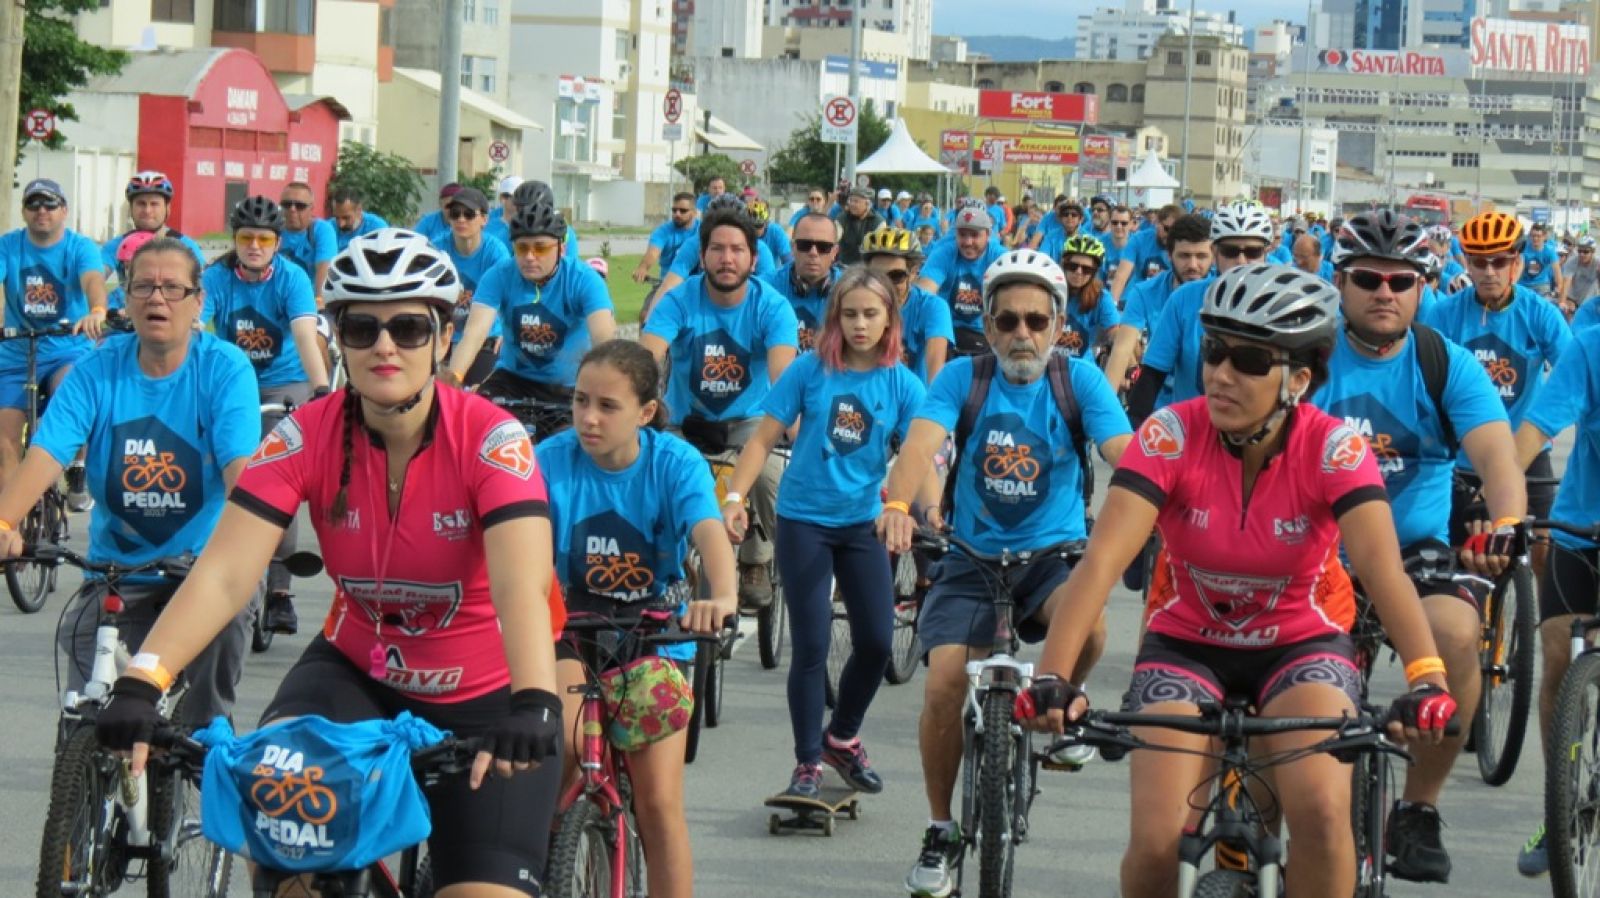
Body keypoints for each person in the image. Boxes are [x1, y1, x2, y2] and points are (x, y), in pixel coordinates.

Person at [88, 228, 568, 897]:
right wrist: (144, 679)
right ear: (337, 337)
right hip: (355, 673)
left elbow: (522, 587)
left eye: (408, 327)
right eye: (362, 328)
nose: (385, 347)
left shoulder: (493, 440)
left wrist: (536, 701)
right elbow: (226, 573)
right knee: (278, 825)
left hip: (488, 694)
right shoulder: (304, 434)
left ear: (442, 337)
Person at [1017, 263, 1457, 898]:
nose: (1222, 373)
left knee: (1323, 816)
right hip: (1186, 645)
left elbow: (1384, 572)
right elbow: (1100, 564)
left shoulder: (1334, 448)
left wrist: (1427, 679)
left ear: (1299, 379)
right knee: (1156, 843)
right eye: (1214, 351)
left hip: (1302, 645)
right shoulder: (1170, 435)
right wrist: (1053, 677)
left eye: (1249, 361)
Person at [878, 250, 1132, 898]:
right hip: (972, 555)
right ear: (988, 325)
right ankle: (941, 829)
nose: (1023, 334)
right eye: (1009, 320)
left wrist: (1155, 504)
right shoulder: (961, 378)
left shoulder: (1080, 381)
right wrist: (900, 506)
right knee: (942, 684)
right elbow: (920, 447)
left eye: (1037, 321)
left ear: (1059, 326)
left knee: (1091, 625)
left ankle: (1065, 700)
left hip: (1052, 556)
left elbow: (1122, 454)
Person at [1315, 210, 1527, 883]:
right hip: (1316, 552)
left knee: (1458, 634)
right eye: (1368, 279)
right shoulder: (1309, 358)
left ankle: (1418, 808)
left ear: (1422, 287)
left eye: (1400, 281)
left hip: (1415, 554)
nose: (1385, 292)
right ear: (1340, 282)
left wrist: (1506, 522)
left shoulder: (1445, 364)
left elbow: (1496, 458)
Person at [0, 236, 259, 733]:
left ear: (198, 302)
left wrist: (248, 546)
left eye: (172, 288)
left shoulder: (224, 369)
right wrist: (5, 521)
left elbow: (240, 474)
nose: (156, 298)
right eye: (143, 286)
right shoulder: (96, 370)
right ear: (125, 298)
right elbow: (48, 452)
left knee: (221, 644)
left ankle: (202, 746)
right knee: (82, 676)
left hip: (203, 568)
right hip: (117, 569)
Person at [538, 339, 736, 898]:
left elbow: (708, 532)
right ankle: (547, 857)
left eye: (608, 406)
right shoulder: (548, 460)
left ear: (646, 412)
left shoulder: (675, 463)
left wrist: (722, 596)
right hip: (569, 630)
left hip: (655, 635)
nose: (588, 418)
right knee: (562, 747)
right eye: (580, 401)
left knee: (658, 802)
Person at [723, 267, 925, 801]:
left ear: (889, 321)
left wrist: (923, 509)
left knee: (877, 642)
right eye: (850, 313)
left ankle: (842, 738)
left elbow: (923, 453)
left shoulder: (902, 383)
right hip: (804, 522)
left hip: (863, 525)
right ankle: (807, 762)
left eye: (871, 314)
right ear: (835, 318)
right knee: (811, 645)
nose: (860, 324)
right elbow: (762, 440)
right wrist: (735, 499)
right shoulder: (809, 371)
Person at [640, 207, 799, 613]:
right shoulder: (678, 300)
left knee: (768, 476)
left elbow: (784, 379)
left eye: (737, 250)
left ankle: (756, 560)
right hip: (685, 423)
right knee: (651, 476)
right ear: (702, 255)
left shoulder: (773, 306)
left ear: (754, 258)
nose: (727, 258)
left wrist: (798, 432)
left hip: (749, 425)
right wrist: (631, 403)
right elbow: (646, 359)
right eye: (717, 249)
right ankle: (662, 560)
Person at [200, 196, 330, 636]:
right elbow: (197, 327)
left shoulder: (292, 278)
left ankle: (279, 592)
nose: (254, 246)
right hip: (232, 382)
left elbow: (304, 334)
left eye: (264, 239)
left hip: (283, 383)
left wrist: (321, 390)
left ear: (277, 243)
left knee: (277, 478)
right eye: (246, 238)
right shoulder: (216, 277)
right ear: (234, 240)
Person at [1421, 209, 1571, 583]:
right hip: (1463, 458)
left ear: (1516, 263)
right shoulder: (1444, 315)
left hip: (1525, 454)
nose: (1489, 271)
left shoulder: (1542, 315)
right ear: (1467, 264)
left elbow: (1570, 380)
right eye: (1479, 262)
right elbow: (1421, 386)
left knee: (1540, 552)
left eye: (1499, 261)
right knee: (1463, 563)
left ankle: (1532, 610)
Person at [1510, 322, 1600, 876]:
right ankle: (1560, 804)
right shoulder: (1591, 343)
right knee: (1558, 658)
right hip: (1581, 527)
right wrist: (1501, 497)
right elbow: (1538, 426)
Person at [0, 179, 109, 504]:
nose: (41, 211)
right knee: (4, 440)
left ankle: (77, 467)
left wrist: (97, 311)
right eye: (33, 204)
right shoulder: (8, 245)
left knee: (71, 395)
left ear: (64, 210)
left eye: (49, 204)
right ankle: (11, 517)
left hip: (68, 348)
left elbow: (93, 280)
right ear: (24, 211)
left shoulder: (80, 247)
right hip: (17, 352)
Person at [446, 203, 615, 404]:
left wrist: (603, 390)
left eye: (540, 248)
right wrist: (453, 380)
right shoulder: (499, 275)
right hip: (511, 380)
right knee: (477, 414)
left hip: (570, 385)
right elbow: (473, 335)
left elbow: (603, 339)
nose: (529, 257)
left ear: (561, 249)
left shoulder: (584, 279)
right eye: (522, 248)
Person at [1126, 202, 1275, 420]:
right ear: (1215, 252)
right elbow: (1152, 377)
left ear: (1266, 253)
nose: (1241, 261)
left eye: (1253, 252)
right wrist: (1132, 432)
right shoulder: (1184, 298)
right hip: (1193, 428)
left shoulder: (1279, 304)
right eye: (1230, 251)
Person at [432, 187, 512, 388]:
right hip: (442, 337)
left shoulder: (496, 253)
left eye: (468, 214)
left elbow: (510, 295)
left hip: (485, 339)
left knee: (478, 393)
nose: (461, 219)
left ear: (484, 219)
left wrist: (507, 332)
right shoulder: (436, 249)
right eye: (455, 213)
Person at [862, 227, 953, 384]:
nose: (886, 285)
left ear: (913, 273)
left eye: (896, 276)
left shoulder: (932, 307)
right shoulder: (856, 305)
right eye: (877, 276)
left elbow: (935, 369)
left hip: (917, 396)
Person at [101, 171, 206, 307]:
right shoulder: (115, 246)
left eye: (154, 204)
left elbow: (202, 288)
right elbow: (95, 278)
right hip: (123, 315)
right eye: (141, 204)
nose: (147, 210)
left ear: (167, 208)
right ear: (131, 208)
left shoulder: (186, 246)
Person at [916, 207, 1008, 358]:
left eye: (974, 235)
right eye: (962, 235)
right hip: (948, 331)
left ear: (988, 234)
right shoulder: (944, 253)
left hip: (987, 333)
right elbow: (923, 295)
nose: (968, 242)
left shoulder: (1000, 256)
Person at [652, 195, 779, 303]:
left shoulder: (760, 248)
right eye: (717, 248)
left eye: (737, 249)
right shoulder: (695, 243)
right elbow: (669, 284)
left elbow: (769, 295)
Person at [763, 212, 841, 352]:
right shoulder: (764, 289)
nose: (813, 253)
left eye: (823, 247)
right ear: (793, 247)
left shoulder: (852, 290)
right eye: (804, 245)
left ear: (834, 252)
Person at [1055, 235, 1119, 365]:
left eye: (1086, 269)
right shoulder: (1049, 290)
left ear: (1094, 273)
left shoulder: (1101, 297)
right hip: (1046, 366)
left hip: (1082, 367)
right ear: (1064, 265)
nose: (1078, 272)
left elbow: (1116, 334)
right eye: (1073, 266)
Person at [277, 181, 338, 306]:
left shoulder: (321, 230)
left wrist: (319, 301)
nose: (292, 210)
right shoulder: (273, 230)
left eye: (300, 206)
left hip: (308, 299)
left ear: (311, 209)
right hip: (277, 298)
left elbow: (324, 269)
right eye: (286, 205)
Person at [1110, 203, 1180, 299]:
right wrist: (1113, 304)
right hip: (1138, 297)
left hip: (1168, 300)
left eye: (1176, 231)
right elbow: (1121, 276)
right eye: (1167, 229)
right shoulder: (1139, 239)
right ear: (1157, 223)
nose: (1171, 235)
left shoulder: (1183, 245)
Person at [635, 192, 699, 285]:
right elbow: (653, 252)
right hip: (667, 284)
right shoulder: (663, 231)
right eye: (674, 210)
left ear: (694, 213)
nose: (677, 214)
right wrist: (643, 267)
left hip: (696, 285)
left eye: (683, 211)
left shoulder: (703, 230)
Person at [330, 185, 390, 252]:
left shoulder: (377, 228)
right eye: (337, 218)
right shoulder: (329, 228)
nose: (341, 224)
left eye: (346, 218)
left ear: (359, 210)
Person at [838, 187, 885, 266]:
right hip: (844, 266)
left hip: (867, 267)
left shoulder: (878, 222)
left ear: (868, 204)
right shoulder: (842, 217)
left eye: (856, 201)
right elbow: (835, 236)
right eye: (851, 200)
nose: (852, 204)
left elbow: (878, 248)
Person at [1520, 222, 1565, 301]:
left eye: (1538, 236)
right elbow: (1518, 268)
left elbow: (1557, 272)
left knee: (1545, 303)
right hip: (1524, 284)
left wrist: (1558, 288)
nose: (1535, 238)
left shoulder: (1549, 251)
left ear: (1544, 237)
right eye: (1533, 235)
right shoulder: (1523, 248)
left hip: (1541, 285)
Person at [1562, 234, 1600, 315]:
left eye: (1585, 252)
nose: (1581, 254)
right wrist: (1562, 302)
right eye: (1579, 251)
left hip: (1590, 301)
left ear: (1593, 252)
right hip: (1572, 299)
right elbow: (1566, 284)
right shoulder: (1571, 261)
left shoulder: (1598, 264)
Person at [751, 200, 793, 267]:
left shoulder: (776, 231)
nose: (756, 230)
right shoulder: (744, 232)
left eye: (759, 226)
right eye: (752, 226)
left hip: (772, 272)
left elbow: (787, 260)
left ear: (766, 223)